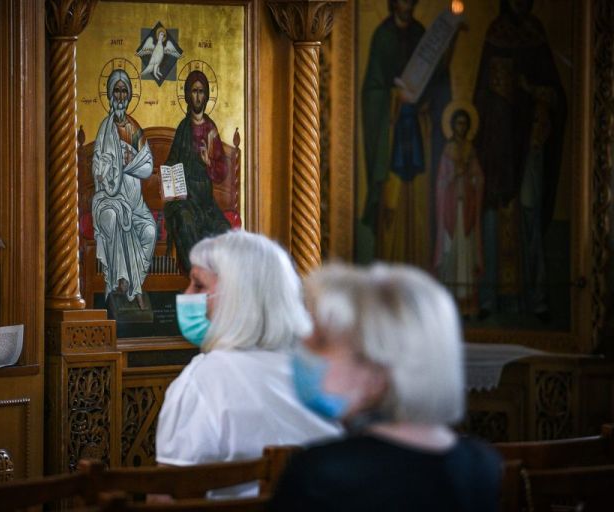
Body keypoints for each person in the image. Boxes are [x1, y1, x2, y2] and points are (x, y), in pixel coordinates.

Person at [270, 263, 502, 512]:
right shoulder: (482, 465)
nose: (303, 346)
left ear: (377, 370)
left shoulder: (321, 473)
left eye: (322, 341)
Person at [155, 230, 342, 497]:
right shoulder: (322, 372)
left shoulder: (203, 379)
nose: (186, 294)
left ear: (237, 297)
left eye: (198, 285)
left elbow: (167, 494)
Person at [473, 0, 566, 319]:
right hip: (498, 147)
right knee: (493, 219)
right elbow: (480, 94)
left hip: (530, 144)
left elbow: (556, 94)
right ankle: (489, 299)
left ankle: (536, 299)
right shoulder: (495, 32)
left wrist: (530, 89)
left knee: (530, 214)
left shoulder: (535, 33)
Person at [360, 0, 452, 268]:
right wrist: (394, 98)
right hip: (390, 137)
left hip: (418, 133)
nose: (407, 3)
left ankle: (419, 268)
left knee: (418, 206)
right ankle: (386, 271)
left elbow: (435, 83)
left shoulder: (420, 34)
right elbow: (372, 92)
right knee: (391, 203)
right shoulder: (383, 36)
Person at [91, 69, 157, 309]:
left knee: (150, 230)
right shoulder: (104, 129)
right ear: (110, 94)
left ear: (129, 96)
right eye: (116, 91)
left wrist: (129, 163)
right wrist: (107, 168)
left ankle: (135, 283)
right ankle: (120, 285)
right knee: (115, 216)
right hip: (109, 198)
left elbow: (148, 165)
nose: (120, 96)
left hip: (136, 205)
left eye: (124, 91)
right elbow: (97, 165)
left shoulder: (133, 129)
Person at [163, 70, 231, 273]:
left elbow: (222, 171)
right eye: (194, 91)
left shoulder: (211, 130)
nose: (198, 96)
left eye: (202, 92)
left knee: (224, 230)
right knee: (185, 221)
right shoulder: (183, 128)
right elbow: (172, 162)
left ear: (207, 95)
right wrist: (170, 185)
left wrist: (208, 161)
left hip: (206, 201)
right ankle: (197, 274)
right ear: (187, 95)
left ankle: (218, 280)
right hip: (185, 198)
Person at [434, 106, 484, 317]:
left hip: (467, 210)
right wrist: (454, 175)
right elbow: (440, 183)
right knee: (452, 252)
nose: (461, 127)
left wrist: (472, 178)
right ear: (452, 125)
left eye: (464, 123)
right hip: (451, 210)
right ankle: (449, 304)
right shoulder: (447, 151)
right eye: (458, 123)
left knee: (466, 253)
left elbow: (479, 178)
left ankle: (467, 305)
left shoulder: (471, 151)